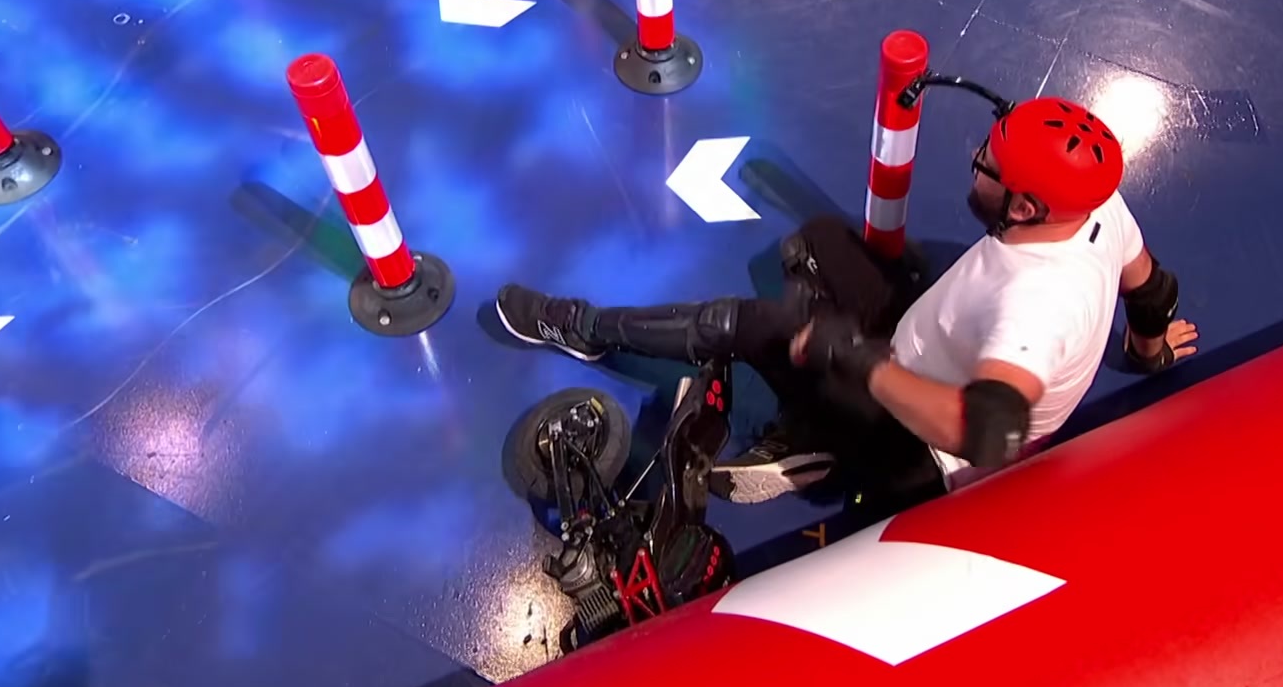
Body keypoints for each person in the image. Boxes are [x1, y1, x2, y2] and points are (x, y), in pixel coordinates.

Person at [495, 96, 1197, 510]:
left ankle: (585, 329)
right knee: (820, 242)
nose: (974, 165)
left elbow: (990, 431)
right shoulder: (1094, 203)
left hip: (916, 441)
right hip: (924, 341)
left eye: (985, 164)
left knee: (742, 323)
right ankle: (809, 420)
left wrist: (855, 358)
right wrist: (1150, 352)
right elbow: (1150, 286)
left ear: (1022, 206)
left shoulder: (1034, 305)